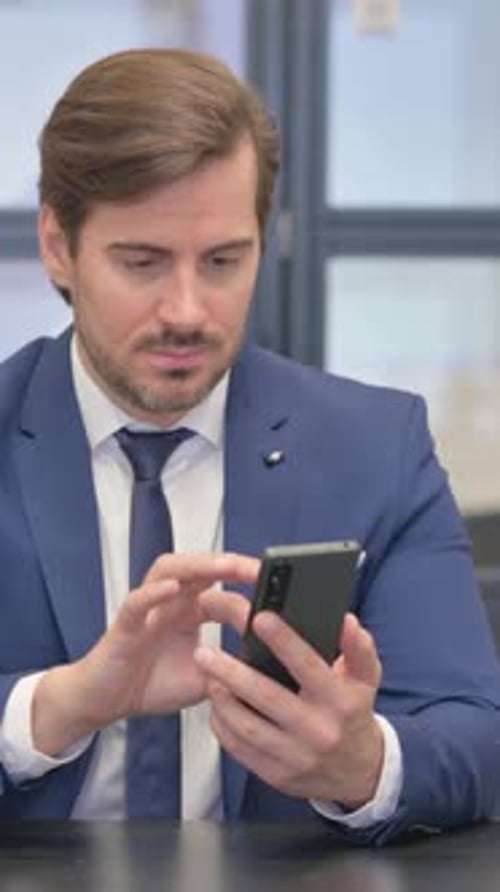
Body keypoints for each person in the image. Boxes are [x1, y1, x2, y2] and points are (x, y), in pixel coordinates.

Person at [0, 48, 498, 844]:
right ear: (59, 246)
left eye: (224, 262)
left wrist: (363, 765)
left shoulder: (375, 448)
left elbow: (475, 737)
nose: (187, 311)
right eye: (142, 262)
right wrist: (56, 708)